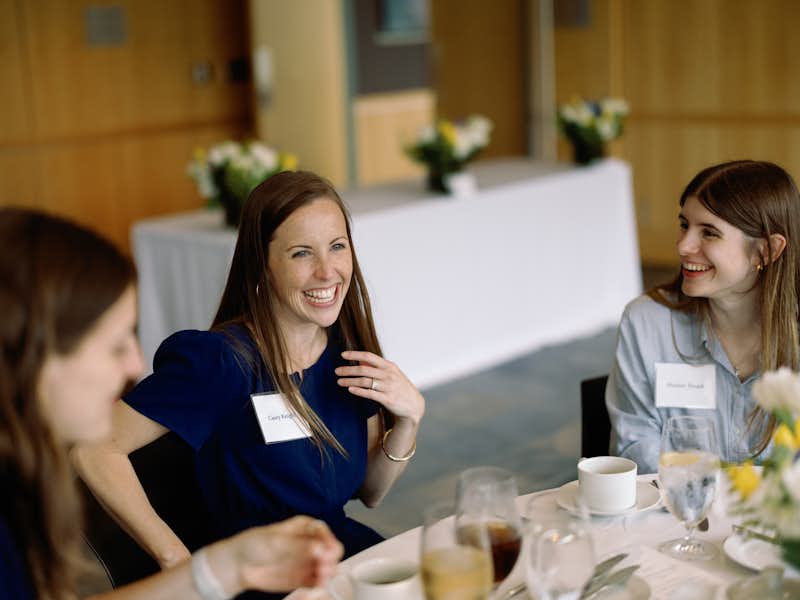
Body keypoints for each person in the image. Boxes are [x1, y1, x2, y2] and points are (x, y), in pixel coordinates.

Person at [73, 171, 425, 575]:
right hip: (258, 575)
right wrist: (177, 561)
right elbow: (94, 448)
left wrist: (409, 420)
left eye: (337, 246)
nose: (327, 272)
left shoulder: (347, 352)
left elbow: (371, 493)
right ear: (262, 265)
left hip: (333, 554)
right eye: (301, 253)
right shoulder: (221, 362)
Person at [0, 207, 342, 600]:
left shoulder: (22, 483)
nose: (135, 365)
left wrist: (226, 567)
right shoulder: (224, 360)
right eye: (114, 346)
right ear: (30, 357)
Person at [607, 160, 800, 473]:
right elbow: (636, 446)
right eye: (685, 225)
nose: (683, 246)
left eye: (709, 233)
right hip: (678, 515)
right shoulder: (647, 323)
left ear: (766, 251)